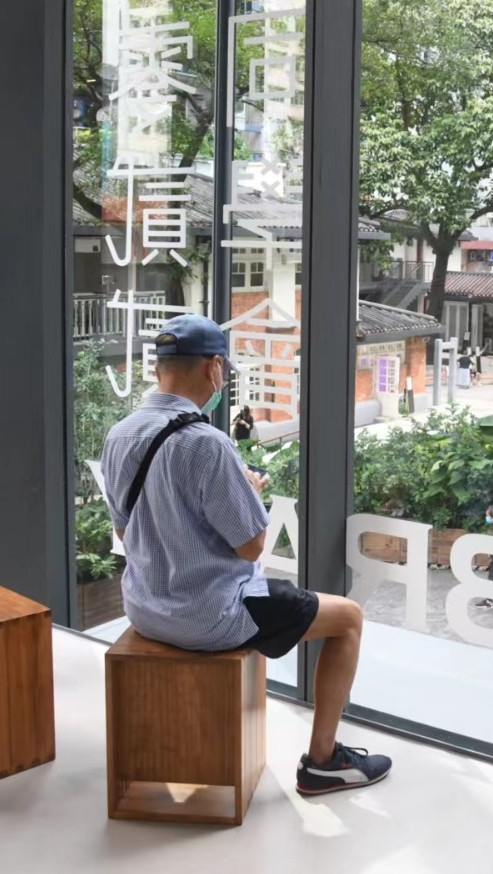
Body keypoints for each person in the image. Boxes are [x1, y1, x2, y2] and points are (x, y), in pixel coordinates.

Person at [101, 315, 390, 796]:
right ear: (214, 368)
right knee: (349, 618)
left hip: (144, 607)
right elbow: (251, 544)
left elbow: (123, 530)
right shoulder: (207, 444)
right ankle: (323, 761)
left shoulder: (120, 434)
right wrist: (250, 491)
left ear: (158, 369)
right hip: (206, 616)